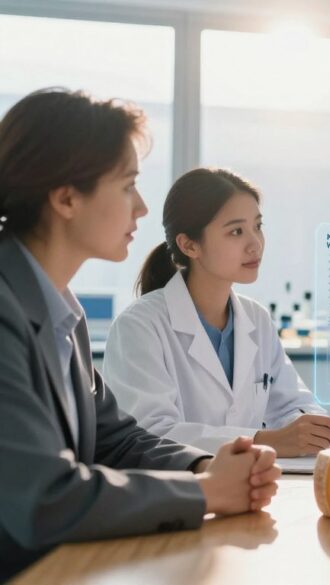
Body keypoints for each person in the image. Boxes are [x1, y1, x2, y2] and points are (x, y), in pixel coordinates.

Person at [0, 88, 280, 581]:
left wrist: (205, 466)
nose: (143, 207)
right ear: (66, 197)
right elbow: (46, 498)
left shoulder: (63, 311)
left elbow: (117, 439)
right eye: (128, 185)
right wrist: (210, 493)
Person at [103, 168, 330, 456]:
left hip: (249, 485)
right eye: (236, 231)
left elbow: (293, 404)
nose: (255, 244)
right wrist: (269, 440)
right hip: (178, 493)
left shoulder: (256, 319)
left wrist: (310, 428)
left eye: (258, 226)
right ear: (189, 245)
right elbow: (151, 434)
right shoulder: (139, 326)